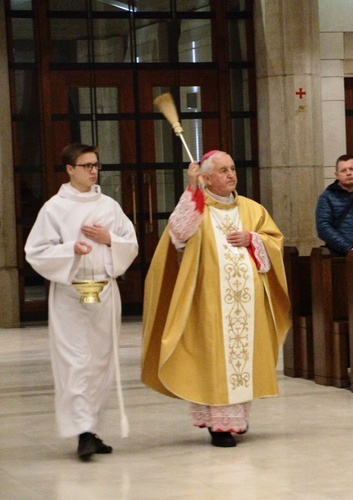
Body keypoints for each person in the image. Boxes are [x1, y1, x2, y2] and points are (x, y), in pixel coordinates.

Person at [142, 150, 291, 448]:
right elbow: (178, 234)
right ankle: (218, 426)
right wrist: (191, 189)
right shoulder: (198, 208)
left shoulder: (252, 209)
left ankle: (236, 419)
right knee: (214, 361)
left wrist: (253, 239)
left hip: (248, 304)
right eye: (223, 170)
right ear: (207, 177)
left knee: (243, 360)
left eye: (233, 169)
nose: (231, 175)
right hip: (209, 302)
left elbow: (275, 242)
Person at [24, 143, 138, 461]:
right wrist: (70, 249)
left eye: (96, 165)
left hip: (103, 291)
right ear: (70, 170)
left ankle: (90, 427)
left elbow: (130, 242)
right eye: (86, 165)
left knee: (100, 361)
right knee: (75, 361)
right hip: (71, 294)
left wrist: (109, 239)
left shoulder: (109, 206)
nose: (93, 171)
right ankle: (82, 432)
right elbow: (36, 250)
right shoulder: (54, 208)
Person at [315, 154, 353, 255]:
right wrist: (348, 249)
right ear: (336, 174)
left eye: (352, 169)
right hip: (339, 254)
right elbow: (323, 227)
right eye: (343, 170)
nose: (348, 173)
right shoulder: (327, 197)